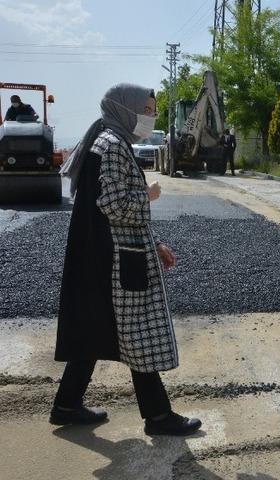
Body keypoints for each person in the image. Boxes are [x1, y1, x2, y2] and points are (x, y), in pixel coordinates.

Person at [53, 83, 202, 436]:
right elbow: (114, 205)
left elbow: (106, 207)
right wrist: (147, 195)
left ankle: (66, 404)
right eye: (147, 111)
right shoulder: (114, 146)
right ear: (125, 109)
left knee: (96, 329)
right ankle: (159, 416)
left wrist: (155, 242)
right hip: (117, 261)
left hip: (105, 255)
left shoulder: (106, 141)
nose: (150, 117)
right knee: (139, 336)